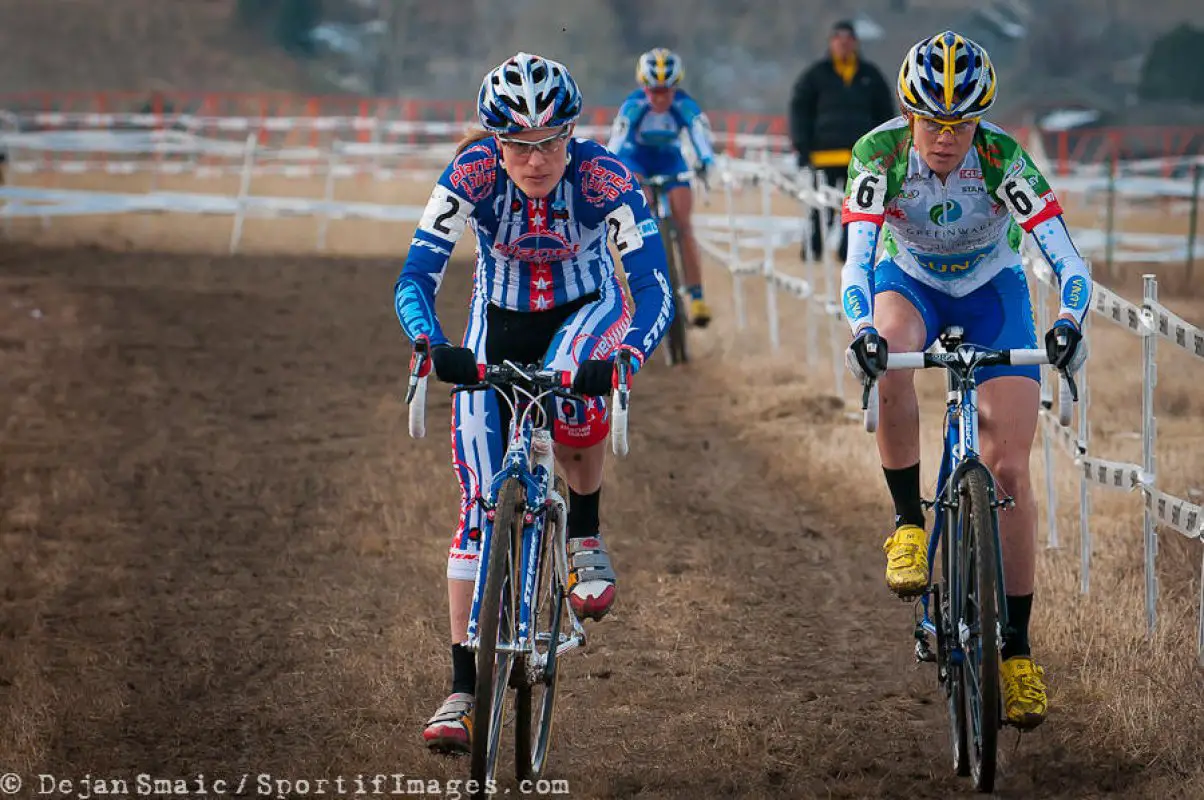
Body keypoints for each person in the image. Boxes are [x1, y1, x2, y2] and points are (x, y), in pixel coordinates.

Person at [393, 52, 675, 755]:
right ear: (495, 141)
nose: (536, 159)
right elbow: (415, 275)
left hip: (588, 310)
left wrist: (629, 355)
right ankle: (462, 688)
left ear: (571, 133)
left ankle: (582, 533)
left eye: (551, 141)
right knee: (477, 508)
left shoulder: (604, 176)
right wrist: (429, 343)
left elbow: (654, 287)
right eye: (518, 145)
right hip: (501, 316)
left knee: (576, 381)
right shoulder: (470, 175)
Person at [839, 31, 1092, 730]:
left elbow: (1067, 259)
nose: (944, 138)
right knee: (890, 348)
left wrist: (1069, 321)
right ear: (907, 111)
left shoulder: (1005, 160)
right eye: (930, 121)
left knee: (1008, 470)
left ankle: (1016, 653)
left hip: (992, 290)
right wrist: (860, 331)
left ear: (979, 120)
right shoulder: (879, 154)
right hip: (908, 283)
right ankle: (908, 526)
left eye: (960, 123)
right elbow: (856, 261)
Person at [607, 47, 716, 327]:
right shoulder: (633, 106)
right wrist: (613, 169)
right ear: (644, 87)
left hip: (670, 162)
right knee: (640, 211)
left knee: (685, 225)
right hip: (637, 161)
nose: (659, 97)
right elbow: (616, 145)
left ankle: (697, 297)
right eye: (653, 91)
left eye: (666, 91)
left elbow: (699, 134)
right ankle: (646, 289)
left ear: (675, 88)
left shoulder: (684, 105)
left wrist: (705, 160)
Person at [789, 20, 894, 263]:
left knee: (857, 208)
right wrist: (802, 146)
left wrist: (885, 150)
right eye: (839, 39)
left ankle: (849, 253)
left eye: (848, 39)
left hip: (860, 158)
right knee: (818, 208)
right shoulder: (815, 75)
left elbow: (885, 114)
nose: (844, 44)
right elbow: (800, 111)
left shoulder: (871, 75)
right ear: (831, 42)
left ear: (855, 43)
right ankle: (811, 251)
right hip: (822, 155)